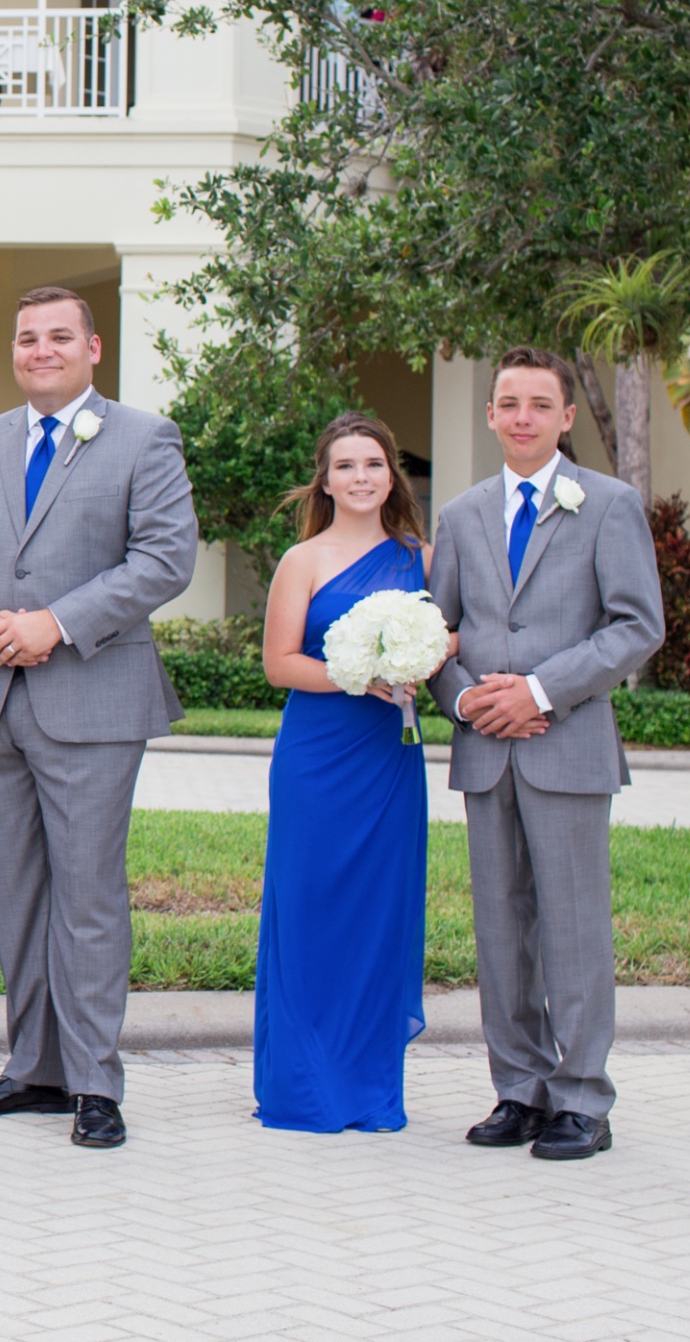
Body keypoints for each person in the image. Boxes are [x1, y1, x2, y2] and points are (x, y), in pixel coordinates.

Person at [0, 285, 199, 1150]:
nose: (40, 349)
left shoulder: (143, 439)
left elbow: (164, 558)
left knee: (86, 897)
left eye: (58, 337)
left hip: (93, 698)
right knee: (16, 895)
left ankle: (94, 1083)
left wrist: (54, 623)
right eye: (26, 338)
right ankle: (33, 1070)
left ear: (92, 348)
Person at [427, 347, 664, 1161]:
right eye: (507, 403)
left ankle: (581, 1098)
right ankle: (518, 1089)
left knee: (571, 927)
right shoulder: (458, 516)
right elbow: (436, 631)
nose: (521, 416)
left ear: (565, 417)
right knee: (499, 928)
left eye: (538, 403)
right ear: (489, 415)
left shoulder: (607, 503)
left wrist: (535, 692)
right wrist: (464, 699)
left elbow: (635, 626)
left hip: (566, 744)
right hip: (485, 750)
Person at [254, 413, 442, 1133]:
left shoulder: (416, 559)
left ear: (390, 475)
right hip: (317, 755)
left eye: (373, 464)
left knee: (376, 912)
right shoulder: (301, 561)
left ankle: (367, 1085)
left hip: (386, 757)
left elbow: (443, 639)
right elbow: (279, 665)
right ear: (323, 479)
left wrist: (422, 656)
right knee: (308, 906)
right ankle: (302, 1082)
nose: (360, 477)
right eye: (345, 466)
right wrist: (357, 674)